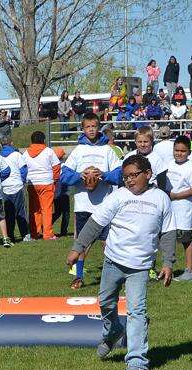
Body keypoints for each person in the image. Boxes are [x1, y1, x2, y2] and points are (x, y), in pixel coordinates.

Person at [66, 154, 176, 370]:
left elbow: (168, 232)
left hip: (141, 265)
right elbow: (96, 222)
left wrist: (168, 262)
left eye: (133, 175)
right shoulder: (118, 196)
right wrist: (78, 248)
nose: (129, 181)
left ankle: (137, 362)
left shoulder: (161, 198)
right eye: (125, 177)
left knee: (137, 311)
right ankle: (113, 330)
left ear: (148, 174)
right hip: (113, 260)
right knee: (106, 303)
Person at [60, 112, 123, 289]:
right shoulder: (78, 151)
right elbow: (64, 175)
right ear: (83, 129)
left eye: (94, 126)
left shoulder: (107, 150)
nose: (91, 130)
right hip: (83, 205)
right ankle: (78, 276)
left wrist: (103, 175)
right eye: (87, 127)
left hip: (104, 205)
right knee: (82, 243)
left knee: (107, 243)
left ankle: (114, 276)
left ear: (99, 127)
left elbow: (119, 174)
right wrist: (80, 176)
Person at [162, 134, 192, 281]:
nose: (179, 153)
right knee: (167, 240)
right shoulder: (169, 164)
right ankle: (167, 269)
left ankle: (190, 272)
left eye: (183, 151)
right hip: (168, 209)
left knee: (186, 240)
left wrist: (176, 196)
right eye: (176, 150)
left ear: (189, 153)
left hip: (183, 210)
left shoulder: (191, 168)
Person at [24, 130, 61, 240]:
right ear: (43, 140)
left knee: (34, 210)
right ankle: (48, 233)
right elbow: (56, 166)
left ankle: (35, 232)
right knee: (47, 209)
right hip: (46, 182)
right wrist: (54, 179)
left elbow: (23, 168)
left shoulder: (26, 153)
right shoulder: (48, 151)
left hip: (32, 183)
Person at [0, 136, 29, 242]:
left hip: (5, 187)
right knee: (21, 211)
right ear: (11, 143)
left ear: (1, 145)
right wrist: (22, 180)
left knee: (8, 213)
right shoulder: (17, 154)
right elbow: (24, 170)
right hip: (17, 186)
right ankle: (25, 234)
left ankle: (10, 235)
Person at [52, 146, 70, 236]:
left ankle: (46, 226)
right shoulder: (63, 166)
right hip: (63, 192)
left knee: (58, 212)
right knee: (66, 213)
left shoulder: (52, 166)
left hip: (55, 193)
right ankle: (64, 231)